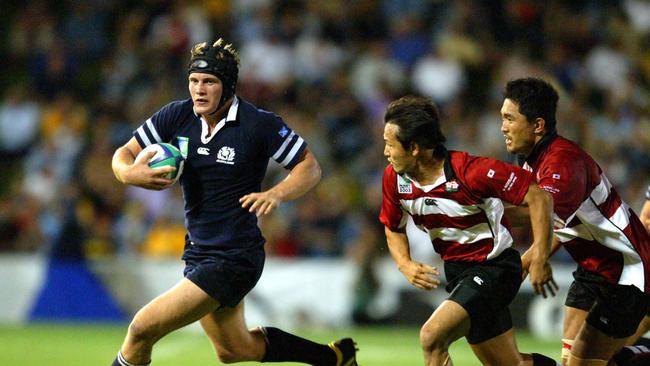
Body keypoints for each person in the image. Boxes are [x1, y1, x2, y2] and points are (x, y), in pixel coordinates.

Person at [110, 38, 357, 366]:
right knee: (234, 350)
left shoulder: (258, 124)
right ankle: (333, 359)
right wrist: (129, 174)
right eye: (194, 81)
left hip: (235, 257)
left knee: (141, 328)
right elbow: (122, 154)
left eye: (209, 82)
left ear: (227, 87)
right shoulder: (177, 115)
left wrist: (275, 193)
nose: (199, 90)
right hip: (198, 251)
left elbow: (309, 167)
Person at [380, 95, 559, 366]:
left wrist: (541, 255)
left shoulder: (472, 172)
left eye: (389, 144)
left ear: (414, 147)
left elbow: (540, 198)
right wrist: (404, 263)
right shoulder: (395, 179)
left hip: (495, 269)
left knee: (432, 336)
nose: (385, 152)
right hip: (458, 273)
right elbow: (393, 227)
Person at [499, 77, 650, 366]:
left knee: (586, 363)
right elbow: (559, 224)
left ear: (538, 125)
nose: (503, 127)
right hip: (593, 264)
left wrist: (476, 213)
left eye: (510, 118)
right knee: (571, 358)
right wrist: (529, 261)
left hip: (626, 270)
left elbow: (539, 213)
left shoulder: (563, 165)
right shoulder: (531, 158)